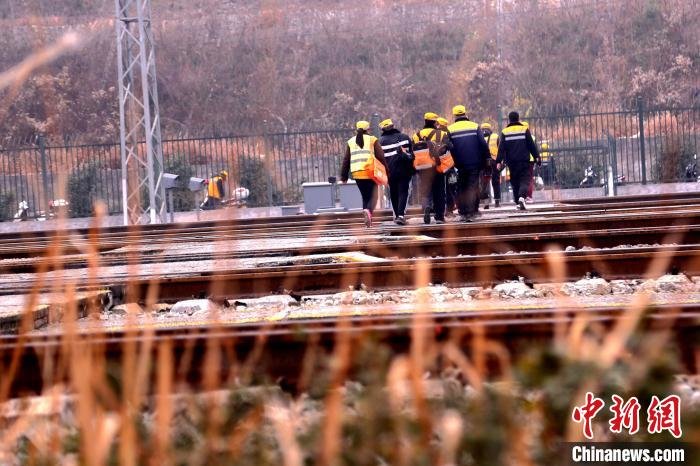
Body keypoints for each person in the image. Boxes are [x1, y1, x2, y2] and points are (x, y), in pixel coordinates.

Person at [340, 120, 389, 227]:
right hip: (370, 172)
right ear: (368, 129)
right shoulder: (372, 140)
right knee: (374, 196)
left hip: (357, 173)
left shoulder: (351, 141)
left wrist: (344, 176)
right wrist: (387, 171)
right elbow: (381, 156)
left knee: (365, 197)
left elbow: (346, 160)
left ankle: (367, 217)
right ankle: (369, 212)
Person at [447, 105, 490, 222]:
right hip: (475, 163)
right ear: (465, 114)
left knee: (461, 187)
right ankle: (471, 212)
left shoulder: (450, 129)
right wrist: (487, 158)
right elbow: (483, 144)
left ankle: (463, 211)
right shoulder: (475, 126)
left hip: (458, 164)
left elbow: (448, 147)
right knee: (472, 186)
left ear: (454, 115)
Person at [495, 111, 540, 211]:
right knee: (524, 180)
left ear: (509, 119)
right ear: (518, 118)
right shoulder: (524, 129)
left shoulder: (505, 131)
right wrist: (537, 157)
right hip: (524, 161)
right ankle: (521, 198)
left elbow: (501, 148)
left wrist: (498, 161)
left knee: (515, 181)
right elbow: (531, 145)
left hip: (511, 162)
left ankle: (517, 202)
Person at [412, 112, 451, 224]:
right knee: (439, 191)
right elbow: (449, 146)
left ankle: (427, 207)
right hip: (436, 166)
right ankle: (439, 217)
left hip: (422, 168)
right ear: (434, 122)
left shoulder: (416, 135)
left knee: (426, 191)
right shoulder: (442, 134)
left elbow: (412, 151)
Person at [379, 118, 414, 225]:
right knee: (403, 192)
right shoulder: (404, 137)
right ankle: (400, 215)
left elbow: (379, 159)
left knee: (393, 193)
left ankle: (397, 216)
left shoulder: (380, 142)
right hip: (404, 171)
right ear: (393, 126)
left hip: (389, 172)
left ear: (383, 130)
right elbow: (412, 155)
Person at [437, 117, 458, 216]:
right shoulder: (446, 135)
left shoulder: (434, 134)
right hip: (448, 166)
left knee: (440, 188)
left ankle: (440, 209)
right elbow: (451, 147)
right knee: (451, 187)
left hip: (436, 166)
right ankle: (449, 210)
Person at [480, 122, 501, 208]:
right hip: (494, 161)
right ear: (490, 129)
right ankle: (497, 202)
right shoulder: (495, 136)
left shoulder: (479, 137)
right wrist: (500, 161)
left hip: (483, 162)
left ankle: (486, 202)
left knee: (484, 182)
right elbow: (500, 149)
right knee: (495, 181)